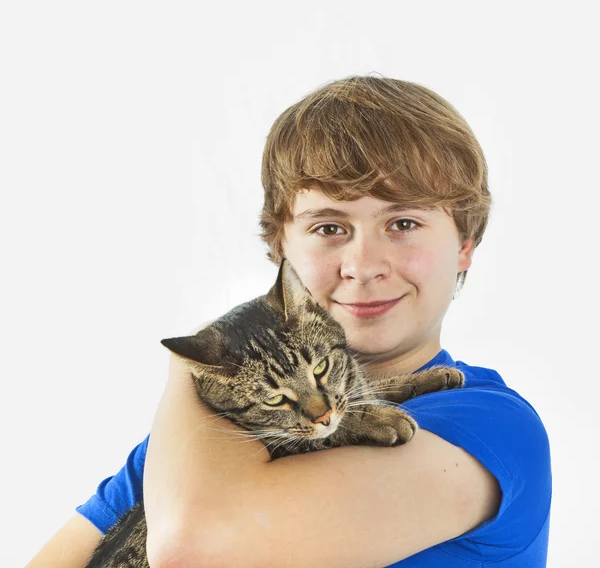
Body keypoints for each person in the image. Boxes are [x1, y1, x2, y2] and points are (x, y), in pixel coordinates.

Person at [28, 75, 552, 567]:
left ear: (465, 244)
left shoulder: (488, 427)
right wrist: (214, 354)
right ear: (282, 246)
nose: (363, 265)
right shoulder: (199, 436)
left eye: (404, 222)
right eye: (328, 226)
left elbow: (195, 549)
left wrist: (195, 364)